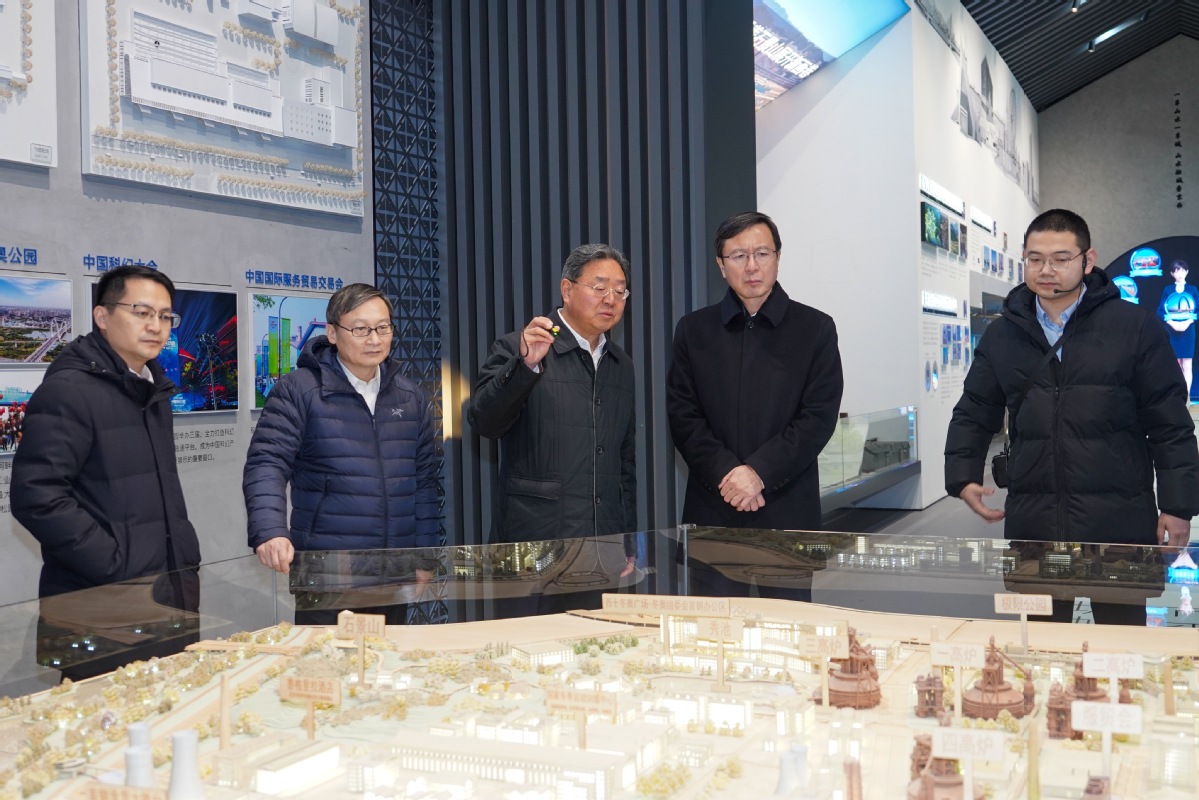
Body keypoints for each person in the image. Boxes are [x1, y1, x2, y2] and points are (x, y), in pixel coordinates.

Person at [946, 209, 1199, 548]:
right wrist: (962, 476)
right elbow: (973, 411)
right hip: (1033, 520)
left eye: (1061, 259)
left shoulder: (1136, 328)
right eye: (1035, 259)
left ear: (1087, 260)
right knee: (1034, 586)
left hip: (1120, 519)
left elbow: (1170, 424)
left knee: (1120, 587)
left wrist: (1178, 505)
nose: (1046, 270)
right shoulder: (1003, 335)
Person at [12, 265, 201, 678]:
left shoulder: (151, 388)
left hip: (162, 592)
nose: (155, 326)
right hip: (101, 602)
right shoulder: (69, 390)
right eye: (141, 312)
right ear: (102, 316)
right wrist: (114, 563)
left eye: (165, 316)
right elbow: (36, 495)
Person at [243, 283, 439, 625]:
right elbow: (267, 463)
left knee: (386, 656)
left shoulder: (410, 397)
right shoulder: (299, 390)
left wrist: (424, 559)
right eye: (360, 329)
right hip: (327, 573)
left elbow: (423, 484)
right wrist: (270, 530)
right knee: (325, 659)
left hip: (393, 572)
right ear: (332, 333)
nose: (374, 339)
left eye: (383, 328)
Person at [666, 211, 843, 532]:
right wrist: (728, 475)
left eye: (762, 253)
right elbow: (683, 416)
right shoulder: (693, 330)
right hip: (713, 502)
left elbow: (818, 417)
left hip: (788, 506)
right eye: (738, 256)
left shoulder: (815, 328)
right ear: (721, 265)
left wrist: (759, 473)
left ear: (778, 258)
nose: (751, 266)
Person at [469, 244, 637, 545]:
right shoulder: (518, 348)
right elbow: (485, 422)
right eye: (599, 288)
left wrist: (628, 542)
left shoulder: (620, 364)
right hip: (535, 542)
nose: (610, 299)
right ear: (567, 290)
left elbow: (625, 464)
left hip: (605, 543)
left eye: (620, 291)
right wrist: (524, 366)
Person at [1158, 259, 1198, 399]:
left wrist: (1187, 322)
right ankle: (1176, 397)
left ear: (1187, 272)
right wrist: (1172, 323)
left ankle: (1186, 398)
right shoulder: (1167, 290)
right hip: (1171, 330)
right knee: (1175, 364)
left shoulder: (1192, 289)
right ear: (1171, 274)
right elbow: (1161, 310)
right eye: (1176, 271)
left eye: (1181, 270)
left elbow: (1197, 310)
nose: (1179, 273)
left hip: (1188, 330)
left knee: (1187, 364)